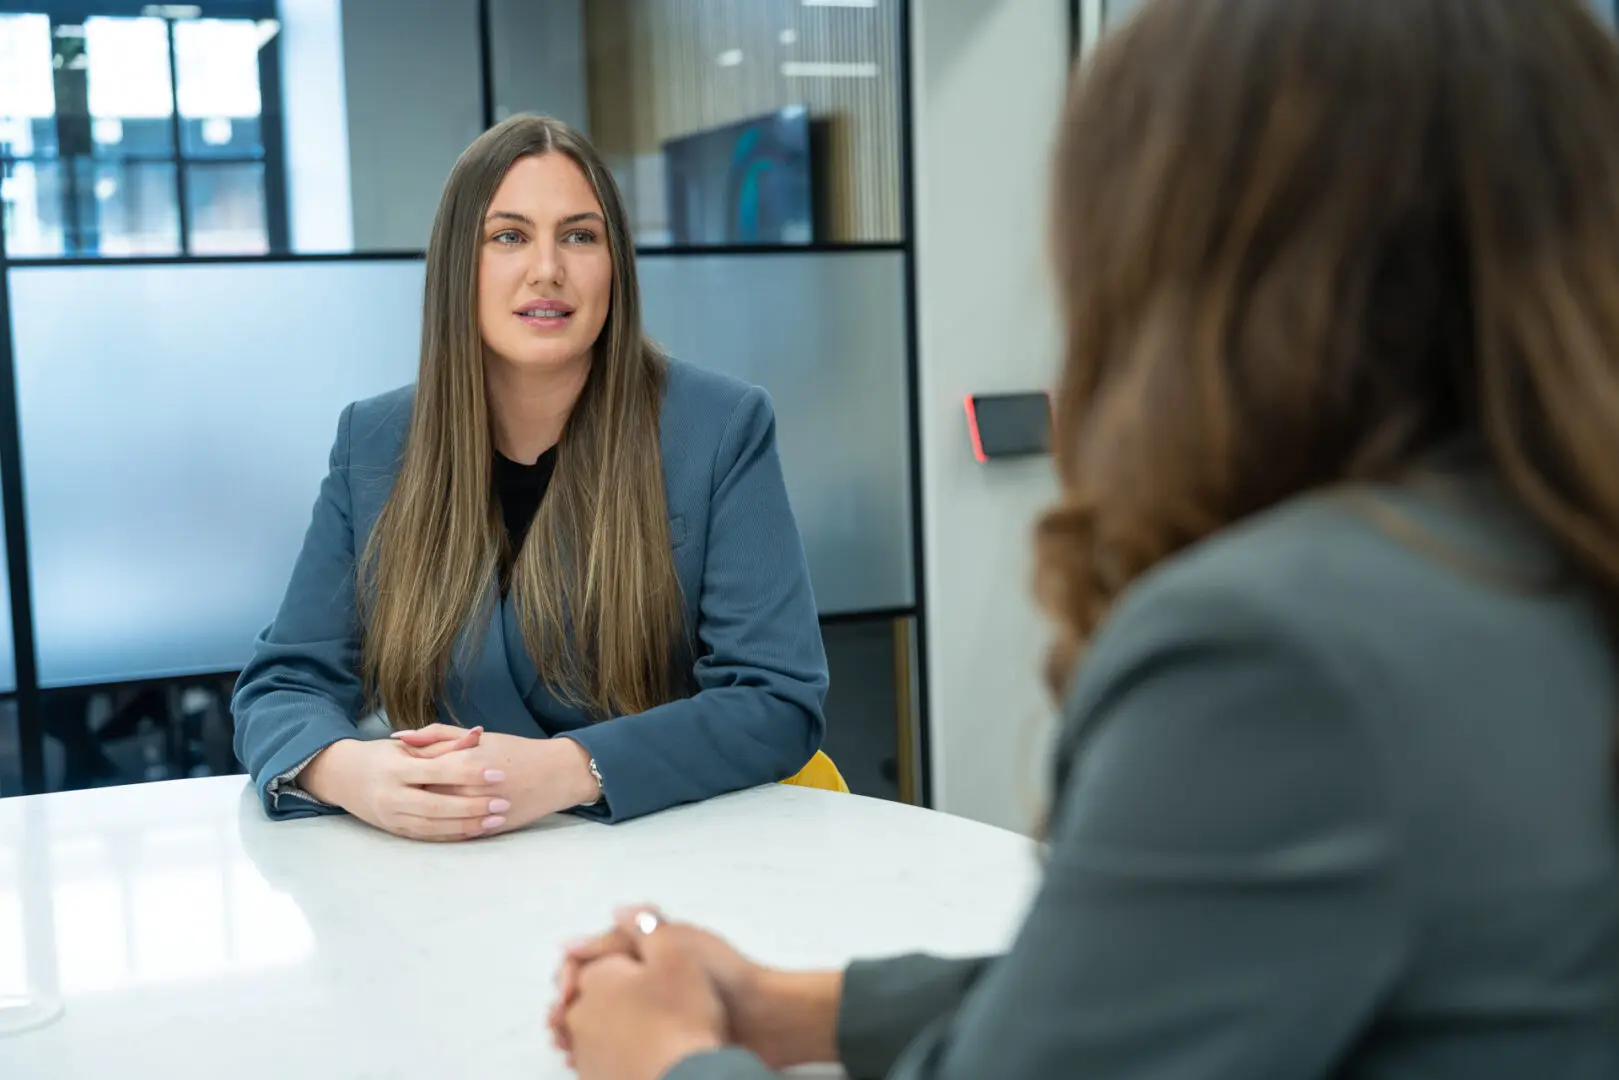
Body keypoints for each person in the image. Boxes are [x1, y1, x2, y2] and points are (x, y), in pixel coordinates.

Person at [548, 0, 1619, 1076]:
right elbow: (1179, 965)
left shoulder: (1279, 652)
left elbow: (774, 701)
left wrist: (666, 1059)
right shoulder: (1542, 556)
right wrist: (792, 1009)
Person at [231, 115, 829, 840]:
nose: (547, 268)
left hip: (667, 858)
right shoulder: (376, 440)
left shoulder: (720, 425)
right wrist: (348, 770)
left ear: (615, 264)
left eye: (579, 236)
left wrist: (571, 767)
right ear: (460, 263)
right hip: (451, 872)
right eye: (508, 236)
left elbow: (774, 698)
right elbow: (283, 683)